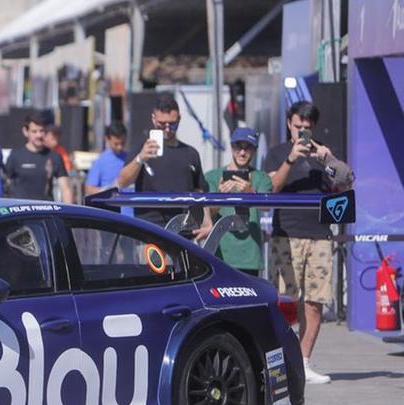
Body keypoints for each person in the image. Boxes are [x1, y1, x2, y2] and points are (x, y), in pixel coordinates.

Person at [267, 101, 352, 385]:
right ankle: (280, 361)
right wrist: (291, 158)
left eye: (306, 128)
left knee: (314, 302)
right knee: (285, 303)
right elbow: (272, 187)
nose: (301, 133)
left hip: (319, 235)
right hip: (286, 234)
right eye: (297, 127)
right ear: (288, 124)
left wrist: (328, 160)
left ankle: (303, 363)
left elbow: (345, 184)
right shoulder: (277, 152)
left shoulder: (322, 153)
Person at [115, 93, 206, 226]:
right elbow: (122, 182)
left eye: (172, 124)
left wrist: (206, 222)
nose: (167, 129)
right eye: (162, 124)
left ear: (179, 119)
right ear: (153, 119)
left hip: (183, 229)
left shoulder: (191, 154)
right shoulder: (143, 147)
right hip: (149, 229)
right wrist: (140, 158)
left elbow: (201, 192)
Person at [199, 127, 271, 277]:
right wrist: (220, 196)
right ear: (231, 147)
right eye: (238, 146)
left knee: (250, 300)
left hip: (250, 257)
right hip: (219, 254)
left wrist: (250, 192)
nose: (242, 152)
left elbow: (266, 206)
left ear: (255, 150)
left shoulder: (261, 177)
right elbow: (208, 212)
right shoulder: (212, 176)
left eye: (248, 147)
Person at [2, 114, 73, 203]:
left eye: (41, 131)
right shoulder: (15, 155)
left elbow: (66, 189)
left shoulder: (54, 156)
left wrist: (67, 214)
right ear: (25, 132)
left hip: (45, 212)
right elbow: (4, 185)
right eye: (34, 131)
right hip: (20, 212)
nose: (39, 135)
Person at [84, 122, 129, 196]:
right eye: (116, 144)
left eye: (122, 143)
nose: (120, 147)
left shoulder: (131, 158)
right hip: (110, 205)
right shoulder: (100, 161)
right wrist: (108, 191)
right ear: (107, 139)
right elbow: (90, 189)